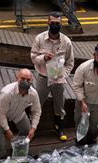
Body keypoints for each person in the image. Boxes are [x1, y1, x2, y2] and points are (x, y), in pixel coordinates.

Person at [31, 11, 74, 141]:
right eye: (53, 23)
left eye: (58, 23)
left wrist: (63, 75)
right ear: (48, 23)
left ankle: (59, 128)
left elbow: (70, 63)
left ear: (61, 24)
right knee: (37, 104)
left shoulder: (66, 42)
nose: (55, 25)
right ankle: (33, 129)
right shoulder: (39, 39)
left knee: (59, 105)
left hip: (58, 80)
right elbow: (33, 58)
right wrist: (43, 57)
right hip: (42, 78)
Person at [0, 69, 42, 159]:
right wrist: (7, 130)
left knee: (27, 130)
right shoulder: (7, 92)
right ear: (17, 79)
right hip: (0, 112)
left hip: (19, 113)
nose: (25, 82)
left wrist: (33, 128)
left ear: (32, 81)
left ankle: (18, 147)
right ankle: (0, 153)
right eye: (23, 79)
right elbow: (1, 113)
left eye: (28, 80)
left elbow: (36, 111)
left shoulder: (33, 94)